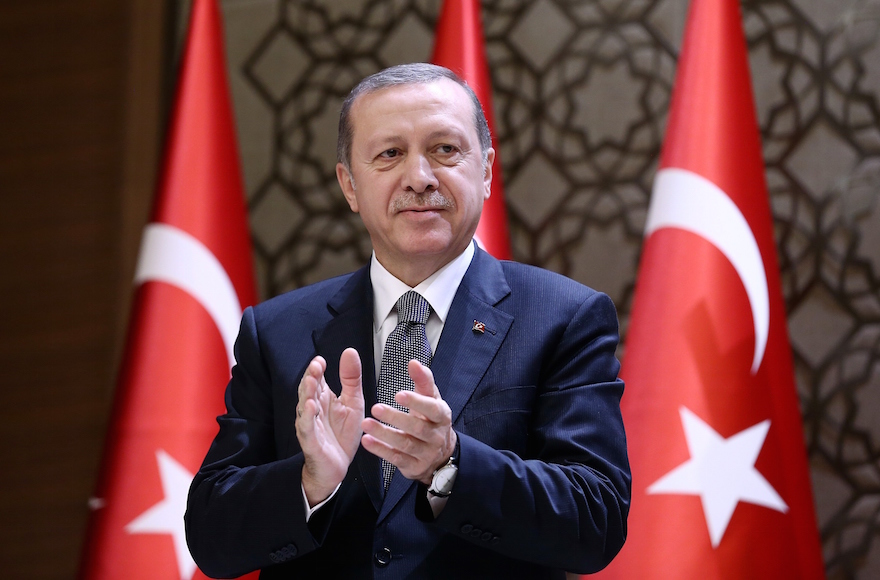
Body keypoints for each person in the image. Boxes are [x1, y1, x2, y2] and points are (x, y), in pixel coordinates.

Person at [185, 63, 630, 579]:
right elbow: (211, 538)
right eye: (390, 154)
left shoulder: (564, 317)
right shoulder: (278, 331)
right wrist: (310, 484)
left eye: (444, 150)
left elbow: (596, 521)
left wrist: (452, 464)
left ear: (486, 171)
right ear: (350, 186)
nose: (419, 178)